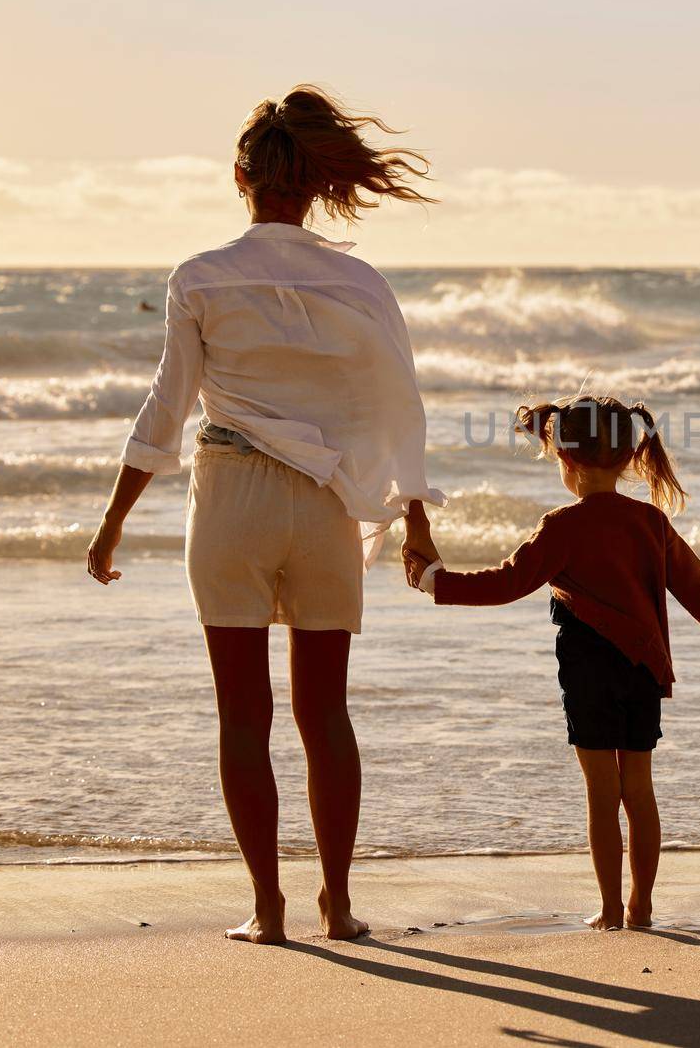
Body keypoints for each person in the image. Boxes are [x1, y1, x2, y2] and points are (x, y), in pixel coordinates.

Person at [85, 85, 446, 944]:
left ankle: (267, 908)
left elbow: (164, 409)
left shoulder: (202, 276)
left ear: (240, 177)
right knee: (327, 715)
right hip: (324, 509)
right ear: (319, 184)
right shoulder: (360, 282)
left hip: (230, 501)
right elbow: (401, 406)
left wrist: (111, 523)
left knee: (242, 713)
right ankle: (340, 904)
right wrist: (415, 517)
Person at [405, 394, 700, 931]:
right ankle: (641, 906)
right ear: (627, 459)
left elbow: (506, 583)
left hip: (588, 672)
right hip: (644, 671)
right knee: (639, 790)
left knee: (602, 793)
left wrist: (433, 580)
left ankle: (607, 909)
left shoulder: (562, 526)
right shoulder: (650, 522)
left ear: (566, 461)